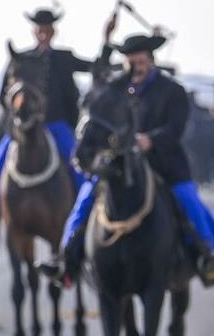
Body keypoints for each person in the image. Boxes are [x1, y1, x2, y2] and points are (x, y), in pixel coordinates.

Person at [41, 33, 214, 287]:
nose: (136, 68)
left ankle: (206, 254)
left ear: (151, 61)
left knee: (187, 198)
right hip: (117, 164)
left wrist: (150, 140)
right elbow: (97, 78)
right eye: (130, 62)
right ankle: (67, 260)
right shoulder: (114, 91)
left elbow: (176, 128)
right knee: (85, 198)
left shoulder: (172, 90)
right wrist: (105, 37)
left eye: (141, 62)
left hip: (162, 161)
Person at [0, 7, 111, 253]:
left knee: (81, 173)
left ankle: (85, 227)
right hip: (23, 129)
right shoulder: (19, 58)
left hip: (57, 124)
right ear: (34, 31)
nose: (43, 34)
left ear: (53, 32)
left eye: (47, 30)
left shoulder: (63, 57)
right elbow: (2, 97)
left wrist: (107, 42)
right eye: (40, 29)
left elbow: (97, 67)